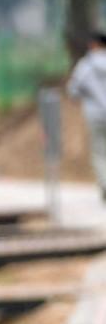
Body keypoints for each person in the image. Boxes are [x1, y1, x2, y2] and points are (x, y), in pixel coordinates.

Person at [69, 32, 106, 202]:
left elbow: (73, 90)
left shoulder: (86, 65)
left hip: (95, 115)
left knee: (100, 152)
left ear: (93, 45)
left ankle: (105, 186)